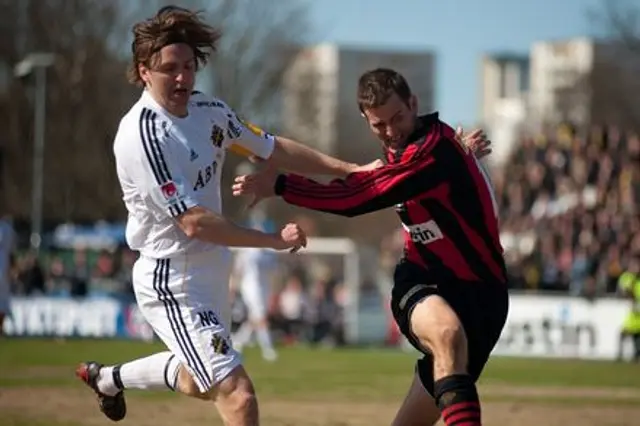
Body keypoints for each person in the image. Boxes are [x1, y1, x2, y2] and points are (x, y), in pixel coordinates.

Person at [75, 6, 376, 425]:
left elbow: (272, 147)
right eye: (169, 69)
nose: (182, 78)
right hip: (172, 278)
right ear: (144, 71)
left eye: (188, 67)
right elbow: (194, 222)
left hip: (212, 268)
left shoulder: (209, 111)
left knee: (202, 381)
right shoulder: (142, 135)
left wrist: (349, 169)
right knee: (238, 395)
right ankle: (109, 379)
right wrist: (274, 241)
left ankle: (108, 379)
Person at [232, 68, 507, 426]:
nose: (391, 132)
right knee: (446, 333)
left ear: (414, 104)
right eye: (379, 125)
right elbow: (364, 179)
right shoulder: (416, 153)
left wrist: (283, 184)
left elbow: (355, 196)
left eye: (398, 118)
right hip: (424, 280)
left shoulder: (433, 151)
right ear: (366, 120)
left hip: (483, 296)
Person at [230, 211, 279, 361]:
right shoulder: (247, 251)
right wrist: (232, 287)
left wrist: (274, 291)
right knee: (260, 317)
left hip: (264, 287)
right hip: (250, 287)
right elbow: (238, 270)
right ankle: (268, 349)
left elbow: (274, 272)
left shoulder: (269, 252)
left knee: (255, 318)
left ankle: (238, 340)